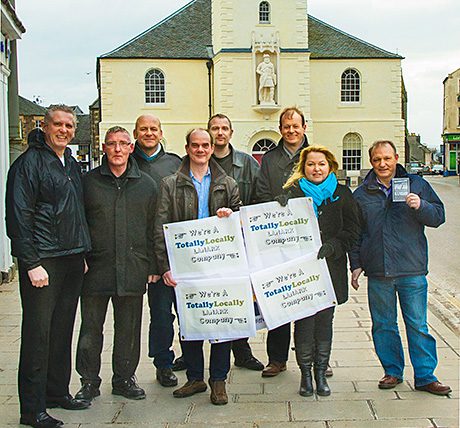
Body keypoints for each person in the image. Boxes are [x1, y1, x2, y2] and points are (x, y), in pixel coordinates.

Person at [6, 105, 91, 428]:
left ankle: (57, 392)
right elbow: (18, 216)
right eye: (59, 124)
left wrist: (81, 252)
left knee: (61, 330)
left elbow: (75, 211)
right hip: (43, 261)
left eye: (69, 125)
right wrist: (30, 262)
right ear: (44, 126)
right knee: (38, 335)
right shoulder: (28, 163)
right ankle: (32, 409)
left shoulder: (69, 162)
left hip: (71, 257)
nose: (65, 130)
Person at [350, 140, 451, 396]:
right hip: (379, 270)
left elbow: (438, 216)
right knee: (383, 325)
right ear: (371, 162)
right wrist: (356, 265)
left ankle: (426, 376)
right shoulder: (362, 194)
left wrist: (422, 206)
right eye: (376, 160)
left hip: (412, 269)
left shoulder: (417, 185)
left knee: (417, 324)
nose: (382, 164)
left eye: (387, 158)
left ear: (396, 157)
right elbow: (355, 233)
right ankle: (393, 371)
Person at [154, 128, 242, 405]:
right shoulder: (170, 183)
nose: (201, 150)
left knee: (220, 322)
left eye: (206, 145)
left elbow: (241, 219)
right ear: (188, 147)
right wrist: (165, 265)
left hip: (219, 265)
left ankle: (218, 380)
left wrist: (232, 214)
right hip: (186, 265)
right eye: (196, 145)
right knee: (189, 321)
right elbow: (160, 226)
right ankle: (195, 377)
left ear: (211, 147)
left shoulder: (227, 183)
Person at [75, 126, 158, 402]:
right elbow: (79, 223)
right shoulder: (87, 183)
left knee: (128, 328)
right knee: (90, 329)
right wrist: (81, 257)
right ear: (104, 147)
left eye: (123, 144)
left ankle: (124, 378)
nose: (118, 150)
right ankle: (88, 381)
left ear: (131, 147)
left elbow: (152, 228)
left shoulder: (146, 185)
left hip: (133, 266)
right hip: (96, 268)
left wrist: (153, 266)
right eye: (112, 144)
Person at [278, 146, 360, 396]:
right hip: (301, 270)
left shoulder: (342, 193)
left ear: (330, 166)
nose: (316, 169)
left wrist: (334, 246)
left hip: (331, 268)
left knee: (325, 322)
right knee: (303, 322)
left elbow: (353, 231)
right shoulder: (291, 194)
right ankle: (305, 376)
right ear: (304, 168)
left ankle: (321, 373)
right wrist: (277, 208)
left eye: (321, 164)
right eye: (311, 164)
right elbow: (276, 232)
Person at [255, 106, 309, 378]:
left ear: (304, 127)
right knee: (278, 299)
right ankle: (276, 359)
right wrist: (276, 205)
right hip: (276, 239)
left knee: (309, 300)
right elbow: (262, 191)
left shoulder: (315, 155)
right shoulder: (269, 158)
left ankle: (310, 358)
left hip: (307, 240)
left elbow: (326, 187)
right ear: (280, 129)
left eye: (295, 126)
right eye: (286, 126)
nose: (291, 130)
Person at [208, 113, 263, 371]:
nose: (220, 132)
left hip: (240, 242)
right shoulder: (200, 160)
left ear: (231, 132)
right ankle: (195, 350)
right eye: (215, 128)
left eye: (224, 128)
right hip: (208, 246)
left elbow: (260, 197)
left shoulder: (248, 163)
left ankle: (242, 351)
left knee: (240, 298)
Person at [132, 114, 182, 386]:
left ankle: (191, 358)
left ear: (161, 132)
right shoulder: (128, 162)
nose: (149, 133)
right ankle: (163, 363)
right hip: (153, 254)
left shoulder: (175, 162)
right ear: (135, 133)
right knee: (161, 313)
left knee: (187, 311)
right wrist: (151, 261)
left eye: (153, 129)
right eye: (143, 129)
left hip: (182, 251)